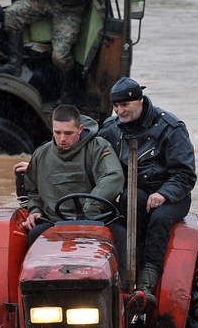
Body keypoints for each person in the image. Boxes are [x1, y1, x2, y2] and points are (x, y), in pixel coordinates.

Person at [98, 77, 197, 314]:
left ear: (140, 101)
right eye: (116, 106)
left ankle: (146, 285)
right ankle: (117, 278)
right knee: (119, 212)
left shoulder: (170, 128)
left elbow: (185, 174)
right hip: (134, 191)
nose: (120, 111)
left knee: (160, 218)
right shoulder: (111, 129)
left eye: (125, 106)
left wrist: (164, 193)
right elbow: (89, 151)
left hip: (172, 194)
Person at [14, 104, 125, 253]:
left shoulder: (98, 147)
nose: (62, 139)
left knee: (121, 235)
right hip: (54, 222)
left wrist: (91, 209)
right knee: (34, 234)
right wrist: (35, 210)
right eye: (57, 132)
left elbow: (114, 176)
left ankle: (126, 277)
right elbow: (33, 191)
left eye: (68, 133)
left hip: (96, 220)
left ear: (80, 129)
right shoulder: (41, 154)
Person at [0, 0, 107, 104]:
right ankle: (14, 65)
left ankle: (69, 93)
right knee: (12, 14)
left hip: (71, 10)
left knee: (61, 56)